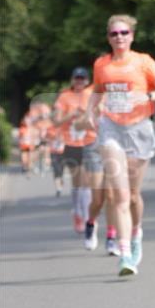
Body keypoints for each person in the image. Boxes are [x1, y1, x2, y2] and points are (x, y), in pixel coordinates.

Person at [81, 15, 155, 277]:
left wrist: (145, 95)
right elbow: (98, 90)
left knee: (133, 195)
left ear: (132, 36)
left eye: (124, 32)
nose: (119, 37)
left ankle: (136, 234)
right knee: (120, 195)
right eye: (114, 34)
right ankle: (125, 254)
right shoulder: (101, 63)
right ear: (108, 37)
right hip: (111, 129)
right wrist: (91, 111)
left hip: (138, 130)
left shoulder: (143, 61)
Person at [52, 68, 101, 233]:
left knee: (87, 181)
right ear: (72, 80)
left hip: (90, 141)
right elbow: (57, 122)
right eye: (77, 78)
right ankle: (77, 212)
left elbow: (99, 113)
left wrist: (87, 114)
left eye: (83, 79)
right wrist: (71, 114)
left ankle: (87, 216)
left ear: (87, 80)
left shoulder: (92, 94)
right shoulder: (64, 96)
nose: (79, 81)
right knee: (77, 181)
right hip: (71, 142)